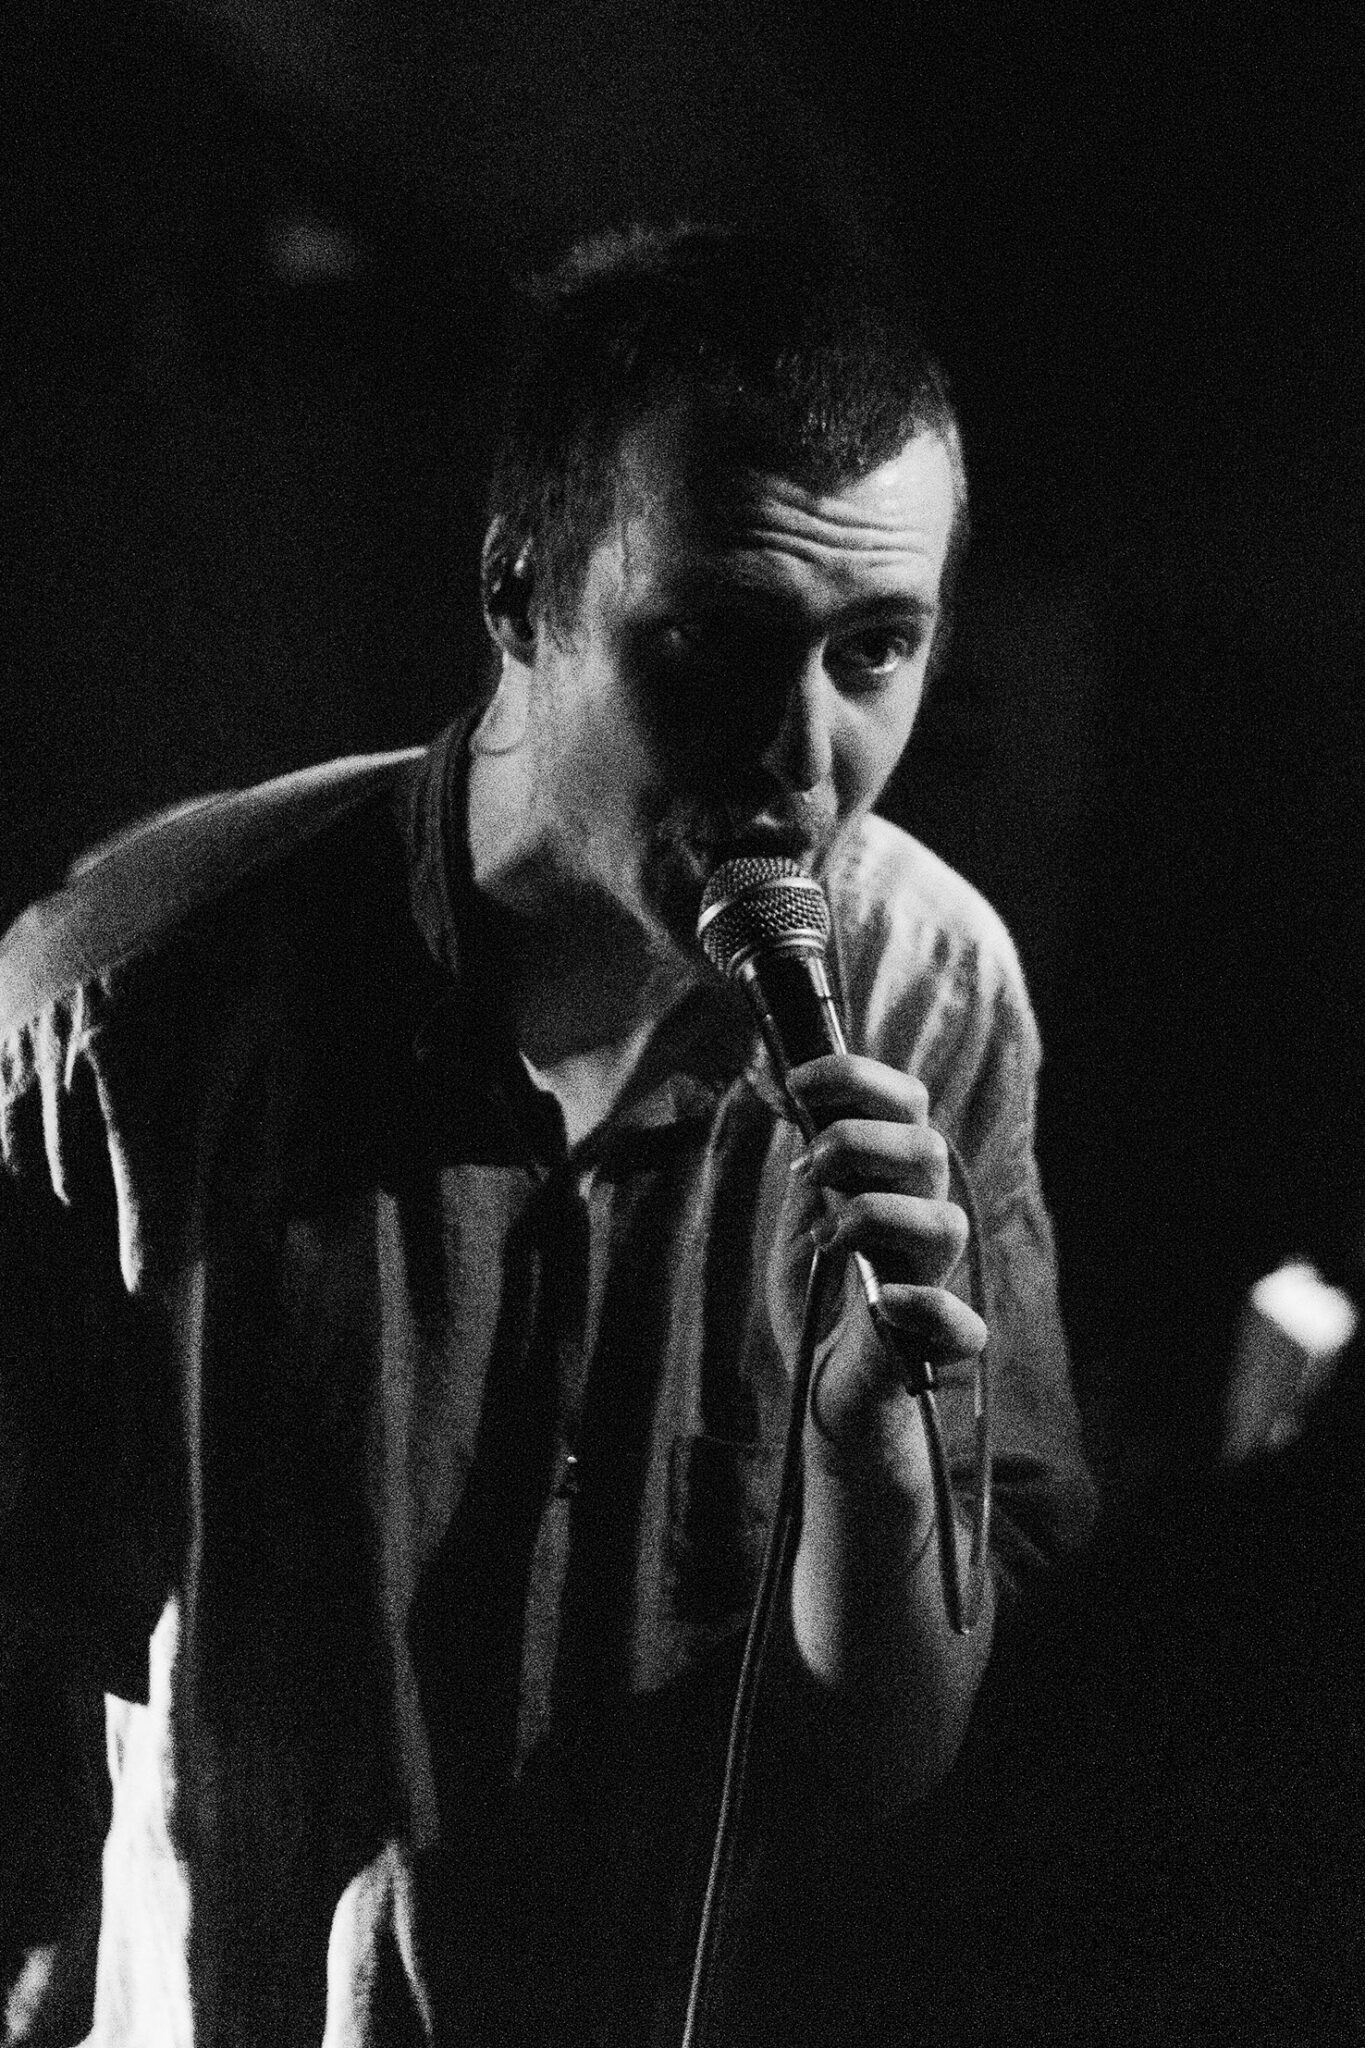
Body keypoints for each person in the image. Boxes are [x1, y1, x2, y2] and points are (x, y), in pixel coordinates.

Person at [0, 225, 1096, 2046]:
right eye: (714, 643)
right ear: (517, 592)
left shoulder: (933, 994)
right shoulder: (132, 1011)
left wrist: (874, 1461)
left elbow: (895, 1757)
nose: (798, 754)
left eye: (874, 650)